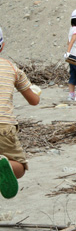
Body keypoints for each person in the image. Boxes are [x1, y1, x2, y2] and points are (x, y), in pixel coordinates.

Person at [0, 25, 41, 199]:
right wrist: (37, 92)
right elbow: (33, 100)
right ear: (2, 45)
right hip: (4, 126)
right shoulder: (11, 68)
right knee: (19, 167)